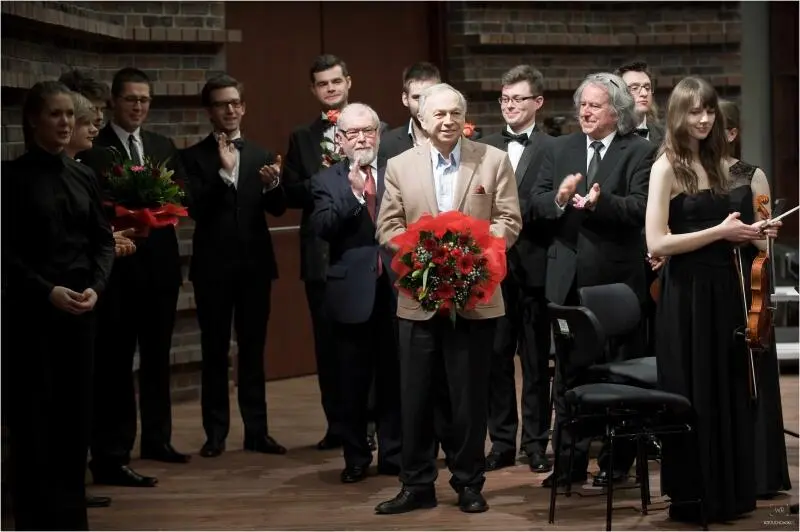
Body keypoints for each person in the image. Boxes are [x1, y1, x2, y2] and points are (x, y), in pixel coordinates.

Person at [375, 83, 521, 514]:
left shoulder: (492, 160)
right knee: (416, 397)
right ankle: (416, 484)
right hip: (418, 299)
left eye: (455, 113)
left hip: (474, 297)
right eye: (439, 114)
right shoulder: (399, 165)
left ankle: (469, 482)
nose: (448, 121)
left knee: (468, 398)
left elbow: (509, 219)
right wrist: (426, 256)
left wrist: (468, 253)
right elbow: (387, 226)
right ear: (421, 119)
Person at [645, 76, 778, 523]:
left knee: (728, 389)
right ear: (678, 115)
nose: (703, 120)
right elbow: (657, 242)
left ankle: (732, 494)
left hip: (726, 291)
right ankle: (694, 497)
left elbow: (742, 235)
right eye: (694, 112)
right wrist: (720, 232)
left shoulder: (723, 166)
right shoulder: (666, 167)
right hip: (687, 295)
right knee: (694, 392)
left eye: (709, 111)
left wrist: (755, 232)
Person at [530, 72, 656, 488]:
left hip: (616, 283)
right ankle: (568, 465)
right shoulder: (559, 148)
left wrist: (601, 204)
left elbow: (640, 208)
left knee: (619, 373)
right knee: (569, 375)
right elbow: (537, 203)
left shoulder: (640, 151)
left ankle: (617, 463)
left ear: (616, 111)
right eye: (582, 104)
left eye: (594, 106)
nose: (585, 112)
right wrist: (560, 198)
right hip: (567, 282)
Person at [3, 80, 115, 530]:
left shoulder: (83, 174)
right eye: (56, 114)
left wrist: (97, 287)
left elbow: (102, 242)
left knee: (75, 419)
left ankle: (71, 519)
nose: (66, 122)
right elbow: (6, 253)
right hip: (33, 315)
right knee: (34, 421)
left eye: (70, 114)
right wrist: (47, 290)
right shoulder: (10, 178)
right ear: (34, 120)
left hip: (80, 313)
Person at [80, 67, 190, 488]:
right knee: (117, 362)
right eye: (131, 99)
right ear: (114, 101)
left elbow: (181, 193)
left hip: (160, 269)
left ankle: (158, 439)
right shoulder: (96, 148)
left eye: (144, 99)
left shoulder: (161, 145)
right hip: (118, 270)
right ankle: (115, 450)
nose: (138, 106)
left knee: (158, 357)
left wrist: (162, 206)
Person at [181, 74, 287, 458]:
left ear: (243, 107)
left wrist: (273, 185)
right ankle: (215, 434)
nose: (229, 110)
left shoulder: (260, 153)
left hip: (255, 267)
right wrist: (224, 173)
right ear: (209, 111)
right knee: (214, 351)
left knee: (253, 351)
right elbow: (195, 209)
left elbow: (278, 209)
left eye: (235, 103)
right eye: (221, 104)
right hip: (213, 268)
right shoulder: (192, 157)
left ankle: (257, 432)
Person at [309, 103, 402, 483]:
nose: (362, 138)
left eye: (369, 131)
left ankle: (394, 454)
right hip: (351, 293)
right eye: (353, 133)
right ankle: (356, 457)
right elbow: (323, 227)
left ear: (378, 135)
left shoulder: (397, 171)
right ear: (341, 140)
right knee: (352, 381)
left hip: (396, 286)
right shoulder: (326, 180)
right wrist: (353, 196)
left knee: (395, 376)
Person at [479, 65, 554, 473]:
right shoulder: (483, 146)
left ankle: (537, 442)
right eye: (505, 99)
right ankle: (502, 442)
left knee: (536, 361)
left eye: (518, 99)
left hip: (536, 268)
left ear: (537, 102)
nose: (509, 106)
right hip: (493, 269)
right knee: (496, 358)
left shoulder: (553, 148)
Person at [718, 99, 791, 498]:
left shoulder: (751, 176)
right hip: (709, 279)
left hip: (745, 280)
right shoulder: (690, 172)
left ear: (731, 133)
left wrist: (765, 230)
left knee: (751, 371)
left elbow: (764, 241)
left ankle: (760, 472)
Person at [283, 54, 352, 450]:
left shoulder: (371, 128)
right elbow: (291, 192)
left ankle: (369, 425)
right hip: (320, 256)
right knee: (327, 347)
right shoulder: (302, 138)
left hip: (363, 253)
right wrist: (325, 182)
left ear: (348, 83)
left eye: (335, 81)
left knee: (364, 343)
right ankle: (337, 426)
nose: (330, 88)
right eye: (322, 83)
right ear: (313, 90)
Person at [379, 62, 441, 160]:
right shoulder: (387, 144)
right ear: (405, 99)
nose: (424, 104)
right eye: (417, 97)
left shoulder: (461, 139)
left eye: (430, 96)